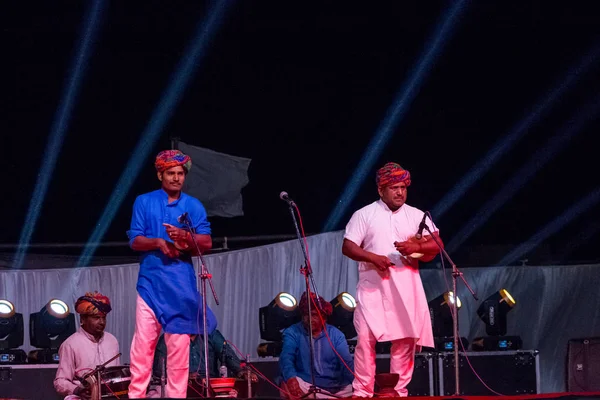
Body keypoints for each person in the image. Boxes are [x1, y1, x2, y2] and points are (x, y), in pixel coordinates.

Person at [341, 162, 442, 397]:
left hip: (406, 286)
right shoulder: (365, 214)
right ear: (381, 190)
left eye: (403, 187)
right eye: (394, 187)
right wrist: (373, 257)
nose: (400, 192)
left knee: (405, 340)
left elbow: (437, 245)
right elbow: (348, 246)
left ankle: (398, 391)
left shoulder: (416, 215)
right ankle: (363, 391)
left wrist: (416, 245)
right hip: (373, 288)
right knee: (366, 339)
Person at [127, 149, 218, 399]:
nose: (176, 178)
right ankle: (136, 396)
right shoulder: (144, 202)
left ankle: (176, 396)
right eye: (170, 173)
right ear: (160, 174)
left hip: (180, 286)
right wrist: (158, 242)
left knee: (178, 349)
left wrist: (186, 237)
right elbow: (135, 240)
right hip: (150, 284)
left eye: (180, 173)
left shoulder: (193, 205)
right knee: (143, 346)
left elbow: (207, 242)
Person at [279, 292, 354, 399]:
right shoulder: (293, 332)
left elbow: (347, 363)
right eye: (306, 314)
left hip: (336, 388)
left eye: (313, 315)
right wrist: (291, 378)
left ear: (323, 317)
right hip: (307, 386)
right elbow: (286, 357)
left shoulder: (336, 335)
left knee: (358, 387)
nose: (309, 318)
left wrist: (357, 383)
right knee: (286, 383)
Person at [147, 329, 258, 398]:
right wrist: (184, 376)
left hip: (210, 389)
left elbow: (229, 357)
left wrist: (241, 371)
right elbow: (158, 371)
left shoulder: (211, 335)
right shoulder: (169, 337)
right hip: (180, 388)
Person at [54, 292, 120, 400]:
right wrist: (77, 390)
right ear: (82, 319)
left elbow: (116, 376)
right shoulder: (70, 344)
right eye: (96, 318)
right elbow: (60, 381)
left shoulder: (112, 341)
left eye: (104, 317)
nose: (102, 322)